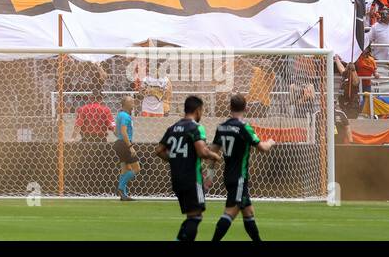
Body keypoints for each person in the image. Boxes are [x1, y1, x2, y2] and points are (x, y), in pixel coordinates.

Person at [156, 95, 222, 241]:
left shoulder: (172, 128)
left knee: (191, 216)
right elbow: (202, 151)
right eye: (202, 110)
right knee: (196, 217)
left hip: (177, 178)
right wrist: (215, 156)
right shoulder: (196, 127)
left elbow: (159, 150)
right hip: (192, 179)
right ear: (198, 110)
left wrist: (175, 160)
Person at [209, 94, 274, 241]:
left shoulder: (222, 127)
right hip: (239, 177)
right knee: (230, 212)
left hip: (228, 176)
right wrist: (271, 141)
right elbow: (262, 148)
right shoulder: (245, 127)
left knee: (248, 212)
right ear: (246, 108)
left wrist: (210, 174)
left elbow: (212, 152)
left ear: (230, 107)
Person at [114, 93, 140, 201]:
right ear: (126, 104)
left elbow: (116, 132)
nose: (133, 103)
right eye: (131, 102)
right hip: (125, 144)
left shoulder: (120, 115)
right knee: (136, 168)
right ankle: (120, 187)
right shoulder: (125, 116)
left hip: (119, 144)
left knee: (125, 169)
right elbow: (124, 132)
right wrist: (130, 146)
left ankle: (123, 195)